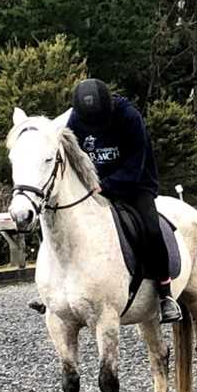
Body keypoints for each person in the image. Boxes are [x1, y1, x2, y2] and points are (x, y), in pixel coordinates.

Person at [67, 78, 181, 323]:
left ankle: (165, 293)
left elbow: (135, 163)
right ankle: (58, 291)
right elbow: (70, 156)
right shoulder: (76, 120)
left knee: (151, 229)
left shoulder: (129, 117)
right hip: (92, 188)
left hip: (136, 185)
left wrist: (105, 186)